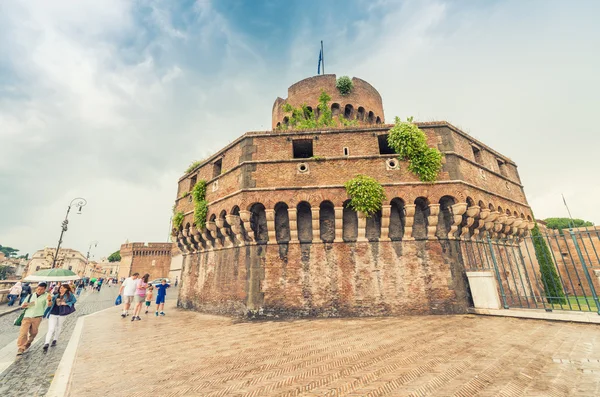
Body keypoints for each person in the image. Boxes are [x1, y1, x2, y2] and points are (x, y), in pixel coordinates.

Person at [16, 282, 48, 356]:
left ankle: (28, 342)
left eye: (41, 289)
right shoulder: (30, 296)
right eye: (38, 289)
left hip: (37, 317)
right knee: (23, 332)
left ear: (44, 289)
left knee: (34, 332)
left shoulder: (47, 296)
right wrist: (25, 305)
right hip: (27, 316)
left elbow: (48, 305)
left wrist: (49, 301)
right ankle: (21, 347)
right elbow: (22, 305)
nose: (39, 291)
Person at [43, 284, 77, 351]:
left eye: (64, 288)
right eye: (61, 288)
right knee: (51, 329)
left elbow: (74, 301)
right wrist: (49, 300)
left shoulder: (69, 295)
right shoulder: (55, 296)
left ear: (67, 289)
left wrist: (66, 303)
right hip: (53, 313)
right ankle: (46, 343)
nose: (62, 289)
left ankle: (55, 339)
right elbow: (50, 305)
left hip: (62, 314)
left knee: (58, 327)